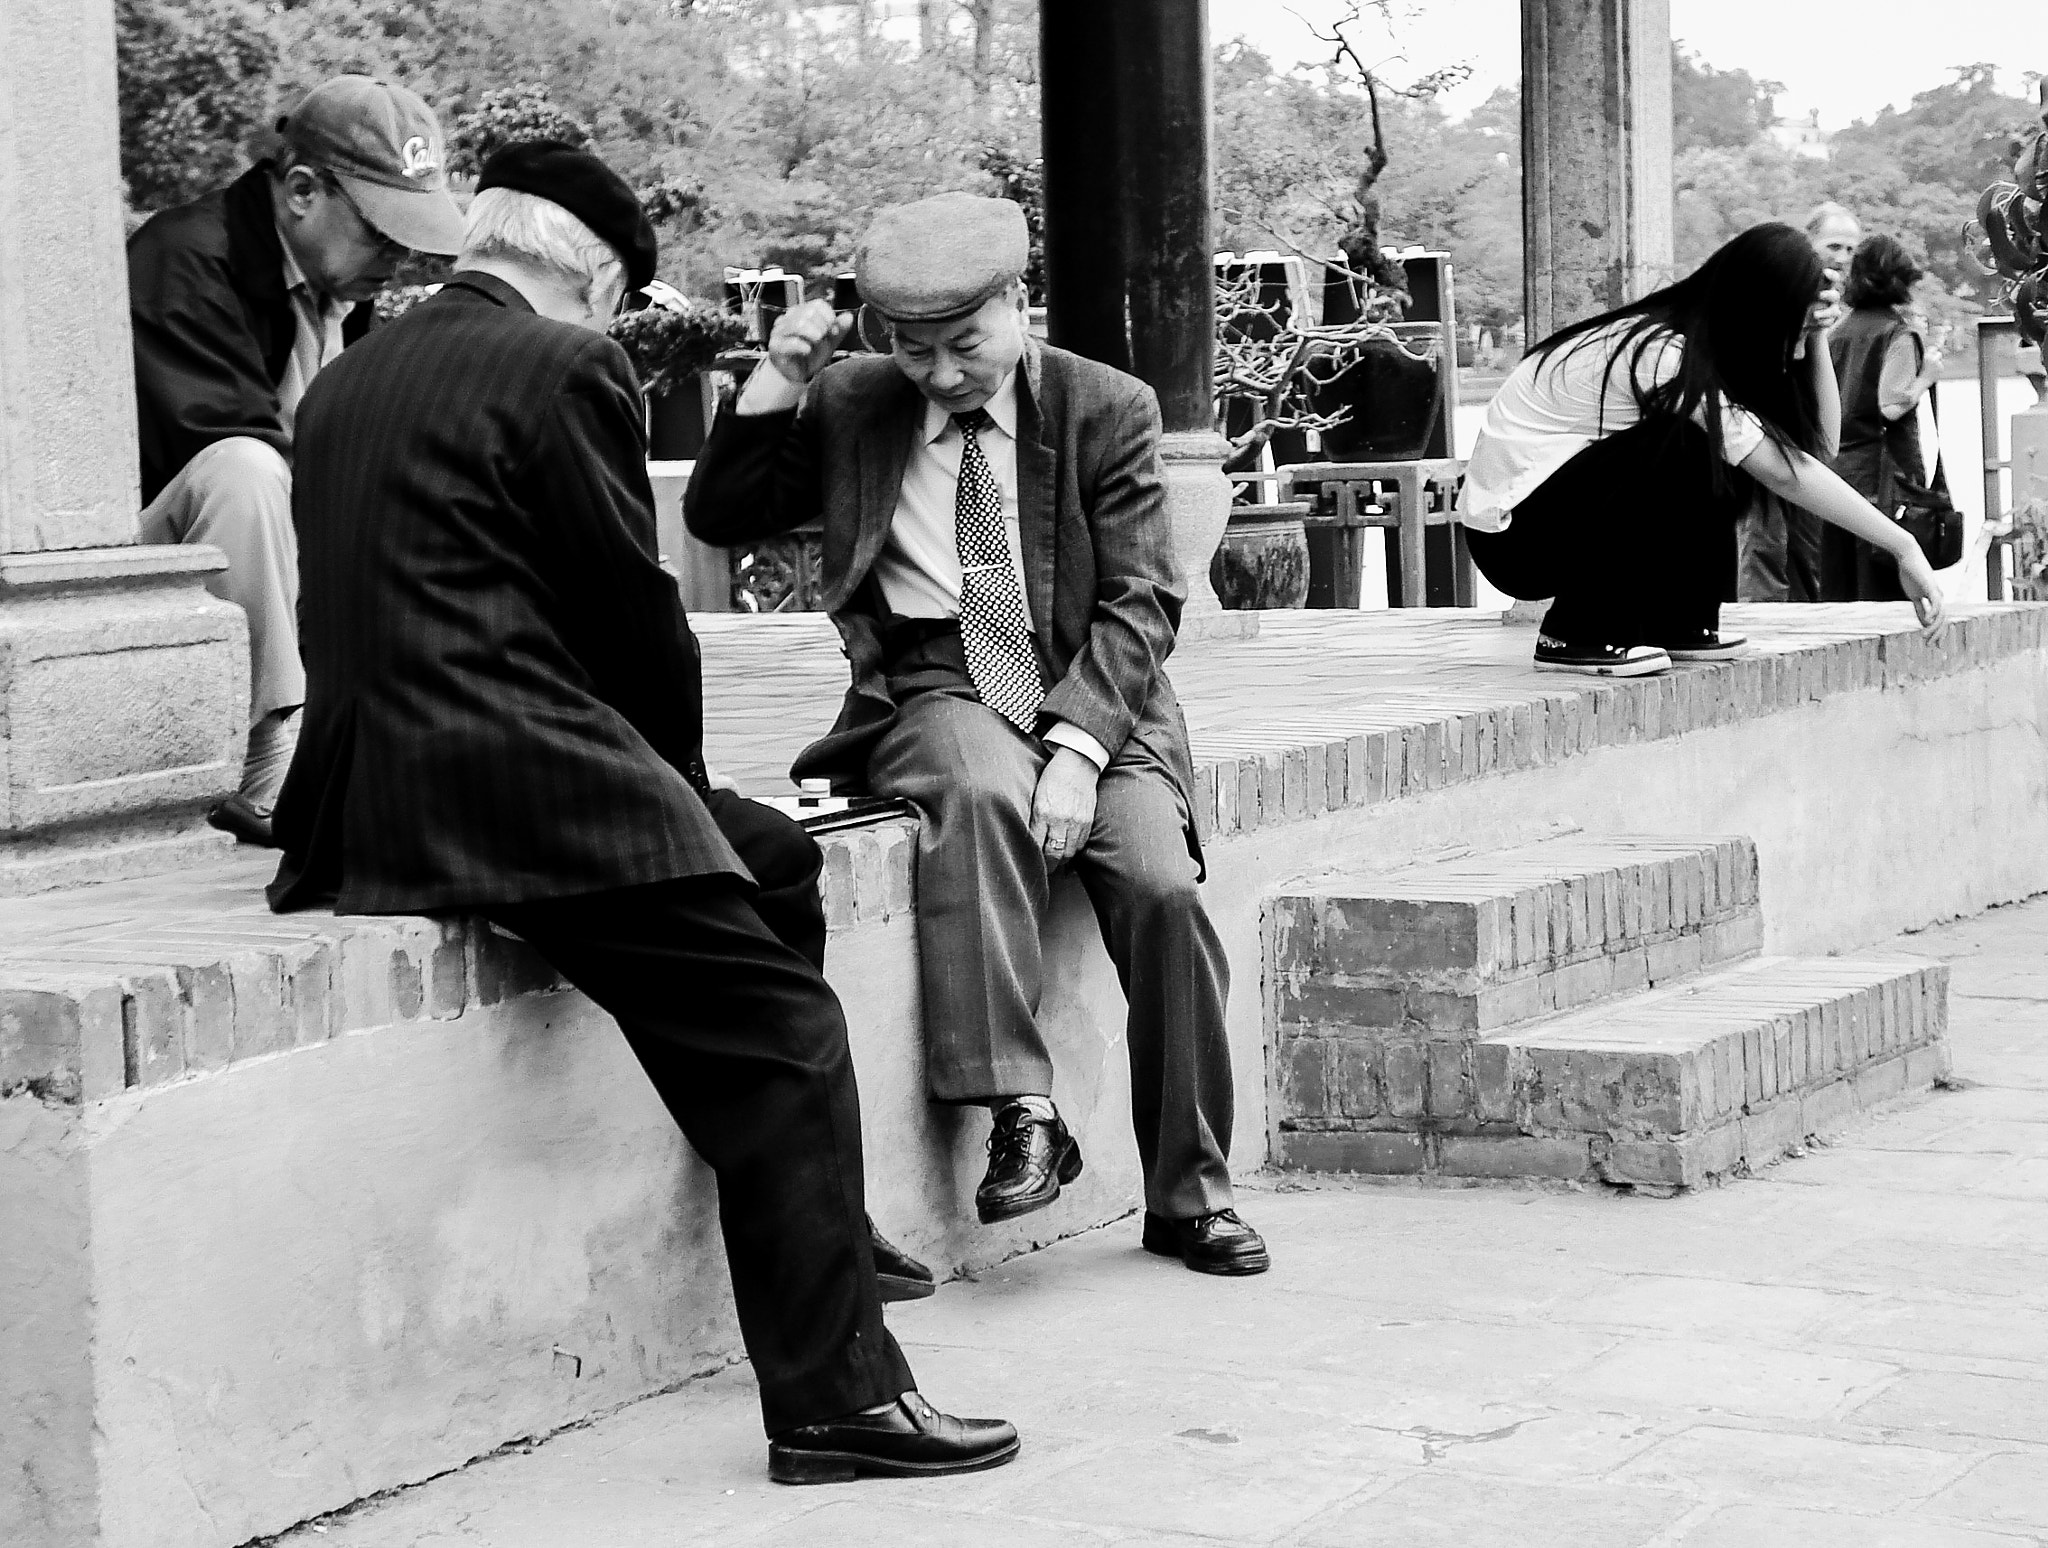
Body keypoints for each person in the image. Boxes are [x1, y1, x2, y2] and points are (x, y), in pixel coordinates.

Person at [265, 142, 1015, 1485]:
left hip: (370, 794)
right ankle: (837, 1403)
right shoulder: (565, 367)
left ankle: (819, 1224)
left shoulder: (348, 375)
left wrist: (703, 816)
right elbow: (632, 613)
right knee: (788, 1038)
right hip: (522, 796)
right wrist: (669, 794)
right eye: (621, 306)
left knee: (776, 858)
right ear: (598, 279)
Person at [685, 193, 1269, 1278]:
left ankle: (1189, 1197)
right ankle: (1022, 1110)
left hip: (1094, 686)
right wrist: (778, 377)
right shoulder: (855, 401)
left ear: (1015, 302)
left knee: (1160, 888)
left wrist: (1082, 751)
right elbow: (721, 516)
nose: (942, 374)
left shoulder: (1107, 406)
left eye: (963, 346)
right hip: (934, 675)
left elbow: (1142, 601)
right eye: (913, 351)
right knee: (980, 788)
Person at [128, 75, 466, 847]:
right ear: (303, 190)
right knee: (244, 469)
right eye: (383, 230)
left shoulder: (336, 286)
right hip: (127, 568)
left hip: (260, 569)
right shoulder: (184, 260)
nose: (401, 255)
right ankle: (267, 759)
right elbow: (256, 459)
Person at [1458, 222, 1948, 676]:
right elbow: (1784, 472)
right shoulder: (1661, 353)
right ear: (1759, 310)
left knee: (1725, 447)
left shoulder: (1698, 357)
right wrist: (1902, 546)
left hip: (1549, 516)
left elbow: (1819, 449)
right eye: (1794, 320)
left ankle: (1681, 622)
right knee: (1695, 444)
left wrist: (1817, 336)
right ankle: (1576, 633)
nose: (1797, 334)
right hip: (1514, 537)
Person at [1735, 202, 1863, 603]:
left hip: (1800, 459)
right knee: (1762, 561)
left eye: (1850, 250)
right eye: (1833, 245)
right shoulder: (1766, 298)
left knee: (1805, 569)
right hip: (1759, 457)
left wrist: (1817, 333)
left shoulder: (1820, 317)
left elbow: (1827, 440)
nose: (1842, 258)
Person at [1821, 233, 1952, 601]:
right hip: (1883, 483)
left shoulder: (1835, 333)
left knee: (1839, 591)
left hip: (1834, 477)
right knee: (1883, 594)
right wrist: (1925, 377)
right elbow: (1891, 405)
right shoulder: (1897, 334)